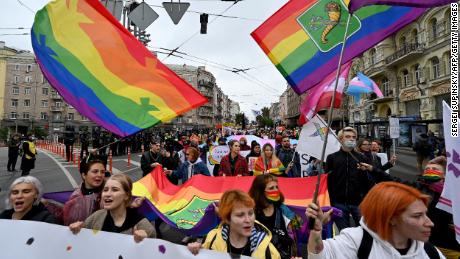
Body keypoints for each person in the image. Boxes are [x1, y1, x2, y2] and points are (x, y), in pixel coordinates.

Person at [306, 181, 445, 258]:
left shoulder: (430, 252)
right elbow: (320, 256)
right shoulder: (356, 241)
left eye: (425, 214)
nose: (429, 223)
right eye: (417, 216)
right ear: (391, 218)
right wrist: (316, 231)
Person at [325, 127, 392, 230]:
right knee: (345, 233)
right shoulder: (332, 158)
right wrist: (330, 201)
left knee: (364, 231)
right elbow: (328, 181)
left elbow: (370, 179)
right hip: (338, 203)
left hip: (359, 202)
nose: (351, 139)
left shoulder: (361, 157)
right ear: (340, 139)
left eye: (354, 137)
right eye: (347, 137)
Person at [187, 190, 281, 259]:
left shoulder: (269, 251)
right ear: (227, 219)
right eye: (240, 215)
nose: (248, 220)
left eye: (251, 213)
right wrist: (193, 252)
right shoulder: (212, 239)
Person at [69, 174, 155, 243]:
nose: (107, 194)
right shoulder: (97, 216)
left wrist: (146, 241)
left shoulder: (143, 225)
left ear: (126, 195)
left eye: (114, 190)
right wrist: (77, 229)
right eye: (105, 190)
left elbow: (156, 251)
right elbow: (82, 242)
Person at [249, 174, 302, 259]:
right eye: (271, 188)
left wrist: (314, 220)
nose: (276, 190)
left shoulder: (284, 210)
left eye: (276, 187)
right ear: (260, 191)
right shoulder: (250, 213)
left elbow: (301, 228)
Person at [61, 159, 106, 225]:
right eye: (95, 171)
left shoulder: (108, 194)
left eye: (102, 172)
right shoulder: (75, 197)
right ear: (84, 175)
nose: (99, 175)